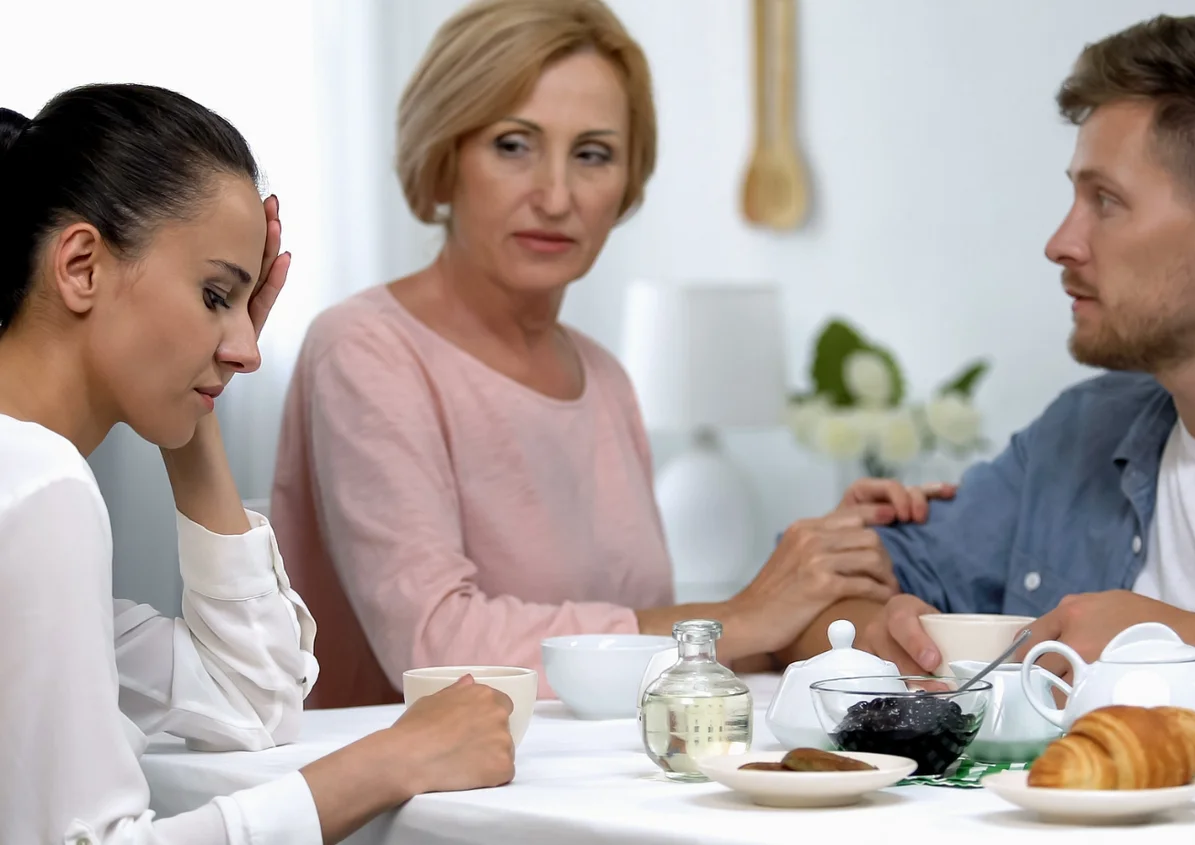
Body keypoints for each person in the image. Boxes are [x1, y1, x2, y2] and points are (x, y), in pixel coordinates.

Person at [270, 0, 943, 708]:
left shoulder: (605, 379)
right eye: (513, 144)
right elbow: (438, 649)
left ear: (625, 183)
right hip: (422, 806)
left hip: (595, 786)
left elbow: (645, 658)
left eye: (592, 154)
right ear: (442, 160)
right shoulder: (364, 348)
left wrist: (819, 573)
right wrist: (739, 617)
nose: (556, 196)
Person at [0, 84, 516, 845]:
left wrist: (200, 386)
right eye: (215, 293)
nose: (248, 347)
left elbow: (249, 702)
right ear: (80, 265)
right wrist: (391, 760)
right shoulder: (39, 484)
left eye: (247, 306)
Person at [782, 13, 1195, 712]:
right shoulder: (1081, 434)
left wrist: (1173, 639)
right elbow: (809, 591)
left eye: (1105, 200)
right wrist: (877, 631)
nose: (1060, 242)